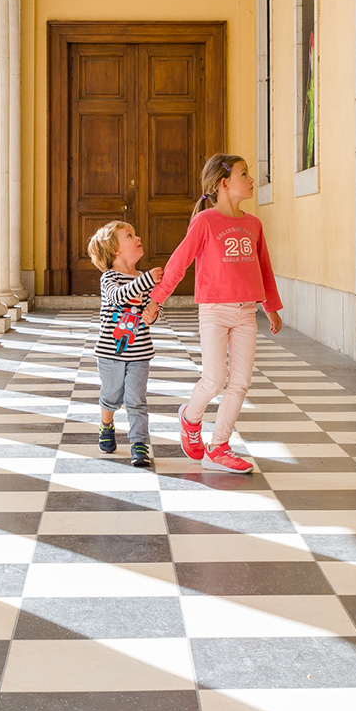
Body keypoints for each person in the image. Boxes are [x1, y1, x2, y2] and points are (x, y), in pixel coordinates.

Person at [142, 154, 282, 473]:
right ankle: (190, 419)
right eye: (244, 174)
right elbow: (178, 264)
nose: (250, 179)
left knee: (241, 382)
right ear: (224, 183)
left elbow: (264, 270)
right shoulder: (205, 222)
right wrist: (155, 300)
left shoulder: (253, 224)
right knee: (215, 379)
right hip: (214, 312)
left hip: (246, 313)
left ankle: (218, 446)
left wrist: (270, 307)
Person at [86, 219, 158, 468]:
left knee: (137, 400)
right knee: (111, 396)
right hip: (110, 353)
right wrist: (147, 280)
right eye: (129, 235)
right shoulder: (109, 278)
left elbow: (152, 307)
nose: (137, 238)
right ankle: (106, 424)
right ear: (115, 249)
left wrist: (153, 313)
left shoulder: (142, 279)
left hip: (140, 353)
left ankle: (139, 443)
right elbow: (119, 297)